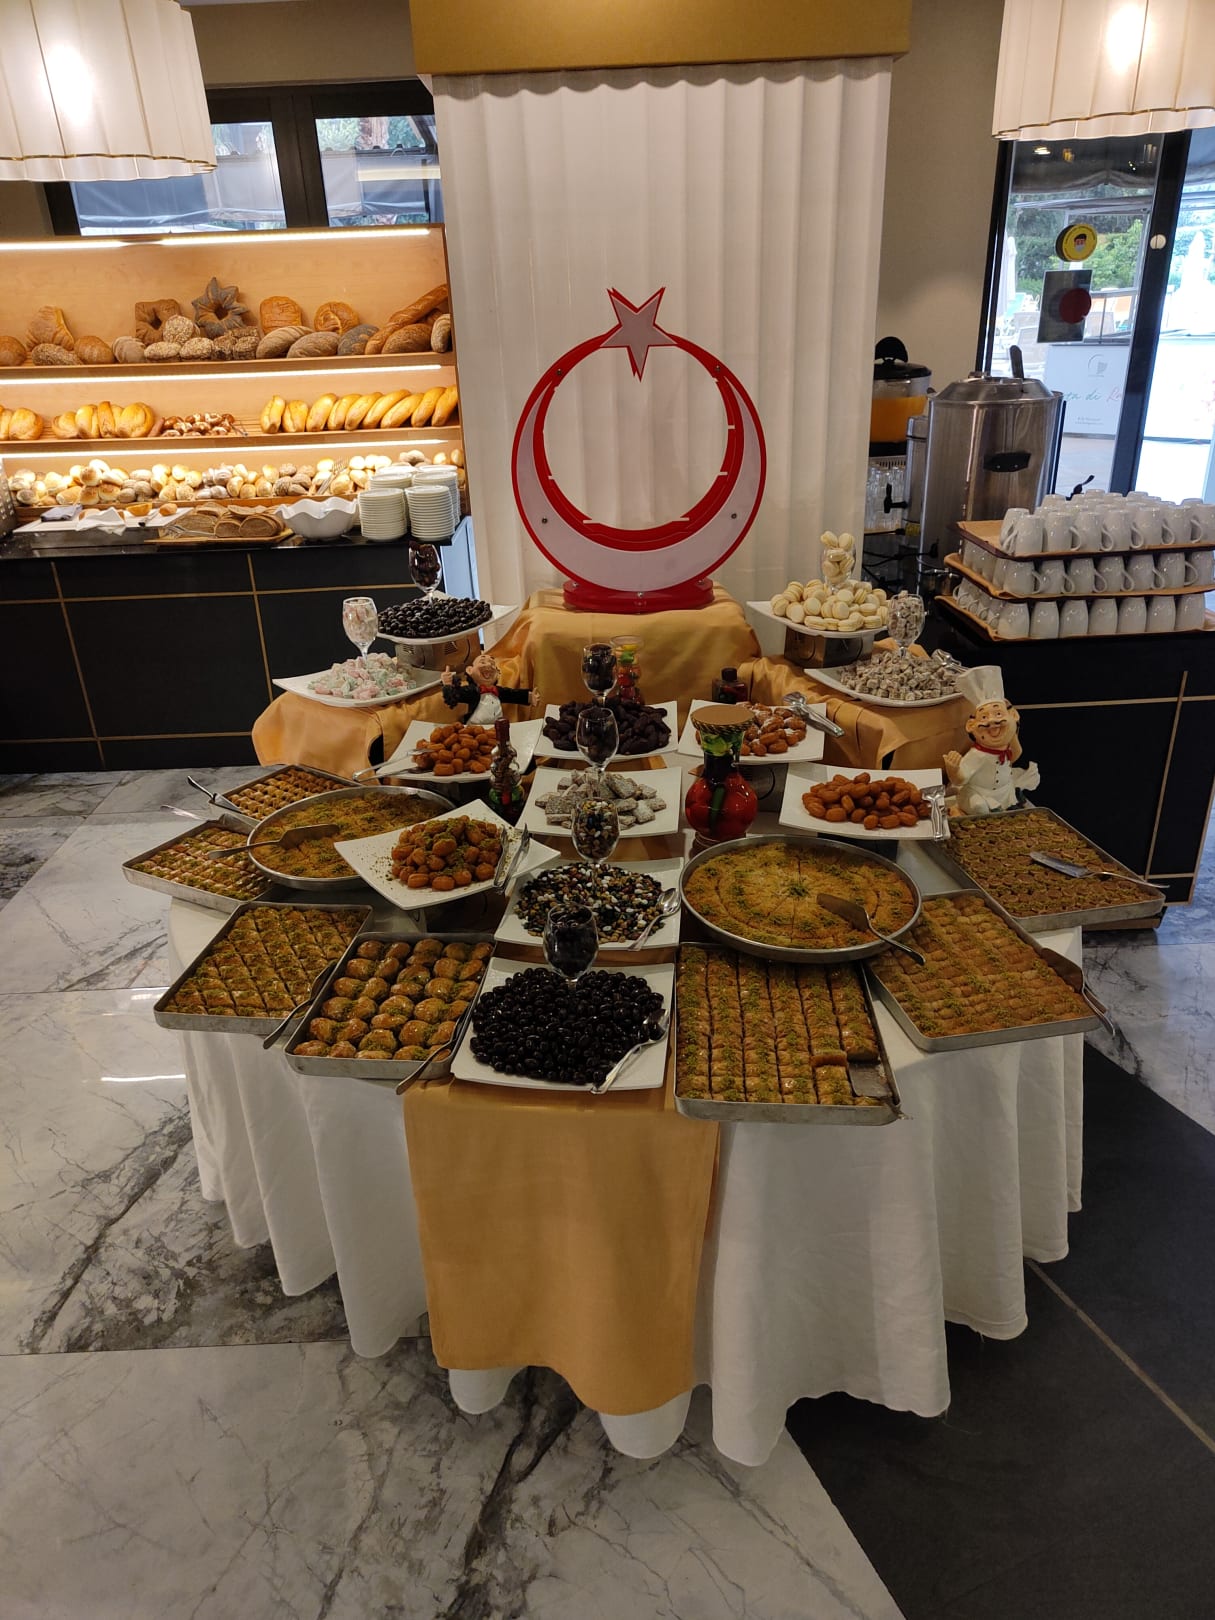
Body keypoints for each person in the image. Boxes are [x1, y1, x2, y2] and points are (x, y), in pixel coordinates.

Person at [943, 666, 1039, 816]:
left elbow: (1016, 754)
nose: (992, 721)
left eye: (998, 713)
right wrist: (953, 770)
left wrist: (1011, 728)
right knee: (979, 808)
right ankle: (958, 810)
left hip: (1003, 791)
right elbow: (961, 779)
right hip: (979, 794)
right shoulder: (978, 754)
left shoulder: (1006, 747)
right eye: (984, 717)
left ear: (1013, 715)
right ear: (971, 726)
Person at [440, 650, 539, 725]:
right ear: (470, 670)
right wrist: (448, 685)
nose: (488, 665)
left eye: (492, 664)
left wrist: (529, 697)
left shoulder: (498, 691)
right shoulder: (472, 691)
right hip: (475, 728)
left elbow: (513, 694)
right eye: (482, 662)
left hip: (497, 728)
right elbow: (456, 696)